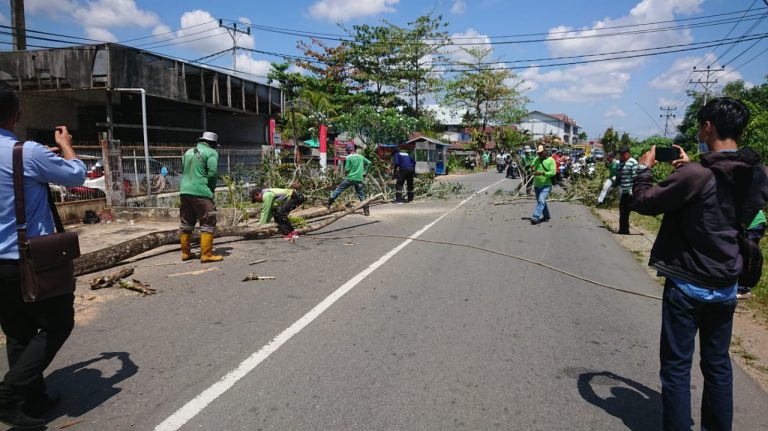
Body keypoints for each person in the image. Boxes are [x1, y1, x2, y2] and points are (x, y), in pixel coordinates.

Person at [631, 97, 768, 431]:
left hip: (688, 283)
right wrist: (692, 169)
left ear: (708, 127)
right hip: (726, 283)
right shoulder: (757, 173)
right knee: (718, 364)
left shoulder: (696, 175)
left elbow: (644, 202)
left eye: (699, 126)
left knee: (677, 367)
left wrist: (645, 169)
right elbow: (736, 210)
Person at [0, 84, 87, 428]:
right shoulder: (28, 153)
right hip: (26, 260)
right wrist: (66, 149)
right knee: (58, 322)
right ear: (18, 114)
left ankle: (33, 400)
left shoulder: (30, 155)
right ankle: (8, 395)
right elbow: (77, 176)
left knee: (18, 332)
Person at [179, 131, 223, 262]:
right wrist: (211, 189)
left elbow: (185, 170)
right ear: (213, 143)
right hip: (201, 191)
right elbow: (212, 173)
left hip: (184, 191)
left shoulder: (187, 152)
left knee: (186, 222)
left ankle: (186, 253)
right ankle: (206, 255)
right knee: (208, 221)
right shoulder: (211, 153)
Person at [327, 144, 372, 216]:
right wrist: (365, 172)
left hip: (350, 178)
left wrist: (347, 172)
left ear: (348, 150)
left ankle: (328, 204)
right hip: (359, 179)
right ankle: (366, 210)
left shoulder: (349, 158)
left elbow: (347, 169)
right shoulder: (361, 156)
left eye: (347, 150)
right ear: (353, 149)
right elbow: (369, 163)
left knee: (339, 189)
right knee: (361, 194)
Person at [737, 209, 766, 299]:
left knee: (747, 256)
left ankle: (744, 290)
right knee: (744, 255)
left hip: (752, 223)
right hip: (754, 222)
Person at [529, 144, 557, 225]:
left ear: (545, 152)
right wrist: (532, 168)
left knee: (541, 200)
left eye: (541, 153)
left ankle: (535, 216)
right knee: (541, 201)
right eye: (538, 153)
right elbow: (532, 165)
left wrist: (542, 173)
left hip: (546, 185)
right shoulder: (536, 159)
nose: (539, 154)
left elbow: (553, 172)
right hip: (537, 185)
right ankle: (546, 216)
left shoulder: (551, 160)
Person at [616, 146, 638, 234]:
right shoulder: (621, 163)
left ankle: (624, 229)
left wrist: (632, 190)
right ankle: (623, 229)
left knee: (626, 210)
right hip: (624, 191)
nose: (621, 156)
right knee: (623, 210)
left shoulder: (633, 162)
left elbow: (635, 178)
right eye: (620, 154)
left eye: (622, 154)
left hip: (630, 191)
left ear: (628, 154)